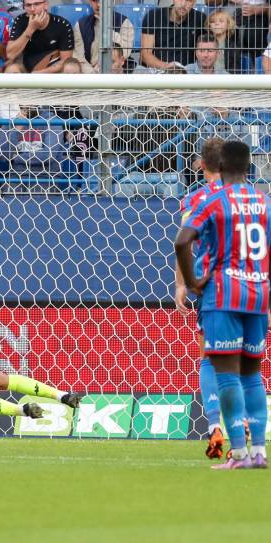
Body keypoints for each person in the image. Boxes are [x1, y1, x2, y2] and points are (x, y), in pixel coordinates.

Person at [175, 140, 270, 469]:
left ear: (218, 164)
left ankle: (239, 453)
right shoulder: (263, 202)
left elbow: (183, 240)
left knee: (227, 374)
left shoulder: (213, 200)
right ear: (247, 167)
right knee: (254, 375)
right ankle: (260, 452)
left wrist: (190, 282)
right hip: (259, 294)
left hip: (223, 293)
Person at [175, 138, 226, 459]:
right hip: (249, 286)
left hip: (210, 287)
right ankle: (245, 425)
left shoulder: (195, 199)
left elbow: (184, 243)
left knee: (209, 358)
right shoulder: (254, 198)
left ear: (201, 165)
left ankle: (214, 426)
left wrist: (181, 283)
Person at [6, 0, 73, 73]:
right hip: (27, 70)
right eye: (28, 5)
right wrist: (30, 29)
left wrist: (40, 74)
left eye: (36, 4)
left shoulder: (62, 24)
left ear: (46, 5)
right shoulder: (20, 21)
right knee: (11, 68)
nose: (32, 9)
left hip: (53, 73)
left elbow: (66, 62)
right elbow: (10, 54)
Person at [139, 0, 207, 71]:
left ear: (194, 3)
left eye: (188, 0)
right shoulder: (154, 16)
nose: (183, 4)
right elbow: (145, 54)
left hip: (188, 73)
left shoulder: (200, 18)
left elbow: (208, 49)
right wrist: (167, 67)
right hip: (158, 71)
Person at [71, 0, 134, 74]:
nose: (98, 5)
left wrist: (105, 25)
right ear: (90, 2)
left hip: (115, 72)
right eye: (95, 1)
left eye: (102, 1)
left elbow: (124, 53)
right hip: (90, 73)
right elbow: (79, 58)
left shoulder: (125, 22)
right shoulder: (80, 25)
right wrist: (93, 73)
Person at [205, 10, 242, 74]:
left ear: (228, 25)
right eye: (213, 22)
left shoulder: (233, 45)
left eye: (221, 21)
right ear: (209, 26)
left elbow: (234, 69)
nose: (216, 23)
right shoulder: (204, 44)